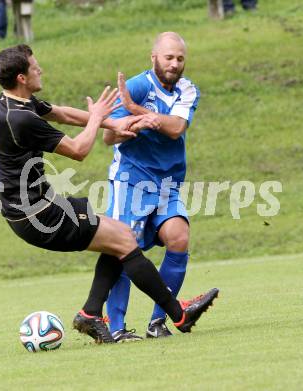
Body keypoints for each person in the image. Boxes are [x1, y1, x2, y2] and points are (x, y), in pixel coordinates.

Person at [0, 44, 219, 344]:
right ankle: (178, 315)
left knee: (118, 235)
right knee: (124, 241)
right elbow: (78, 150)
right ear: (22, 77)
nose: (40, 70)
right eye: (35, 67)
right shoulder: (21, 119)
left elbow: (61, 114)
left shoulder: (15, 102)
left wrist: (113, 121)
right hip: (36, 216)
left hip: (39, 205)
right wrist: (97, 117)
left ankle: (90, 314)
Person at [103, 32, 201, 342]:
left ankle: (158, 322)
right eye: (169, 57)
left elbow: (175, 128)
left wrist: (141, 112)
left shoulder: (187, 89)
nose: (174, 64)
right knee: (122, 248)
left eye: (180, 58)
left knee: (179, 237)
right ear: (154, 58)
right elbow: (109, 136)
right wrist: (133, 121)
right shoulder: (136, 86)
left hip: (168, 184)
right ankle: (116, 327)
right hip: (131, 180)